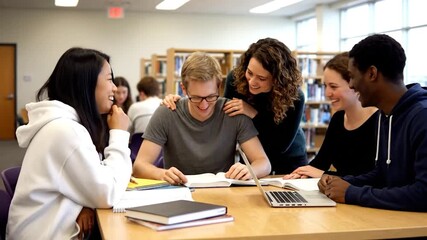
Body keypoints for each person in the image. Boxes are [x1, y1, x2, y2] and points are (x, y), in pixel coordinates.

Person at [7, 47, 133, 239]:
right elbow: (108, 193)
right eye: (109, 79)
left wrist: (85, 204)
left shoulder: (66, 126)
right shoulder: (65, 131)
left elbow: (89, 178)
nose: (115, 88)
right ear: (86, 84)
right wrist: (119, 134)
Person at [162, 38, 307, 174]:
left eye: (261, 78)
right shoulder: (237, 79)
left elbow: (279, 146)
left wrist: (253, 114)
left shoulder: (295, 97)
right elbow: (220, 112)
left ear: (278, 79)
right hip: (252, 157)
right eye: (250, 73)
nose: (252, 82)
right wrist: (186, 99)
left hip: (288, 159)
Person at [318, 34, 427, 212]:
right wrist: (341, 182)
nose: (351, 85)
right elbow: (383, 175)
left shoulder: (422, 116)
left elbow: (423, 193)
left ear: (372, 74)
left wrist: (351, 193)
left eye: (352, 77)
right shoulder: (387, 115)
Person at [132, 52, 271, 184]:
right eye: (196, 97)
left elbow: (264, 163)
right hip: (179, 193)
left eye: (211, 97)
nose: (204, 105)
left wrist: (250, 170)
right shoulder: (167, 112)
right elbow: (139, 166)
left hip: (224, 194)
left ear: (219, 87)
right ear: (184, 89)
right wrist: (162, 174)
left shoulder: (233, 112)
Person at [284, 52, 378, 179]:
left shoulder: (380, 122)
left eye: (333, 87)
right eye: (325, 86)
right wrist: (301, 174)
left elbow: (371, 177)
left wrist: (325, 175)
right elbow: (321, 163)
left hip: (359, 197)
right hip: (337, 195)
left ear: (355, 85)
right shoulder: (338, 119)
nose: (327, 93)